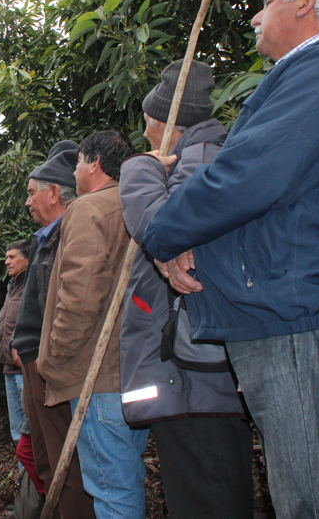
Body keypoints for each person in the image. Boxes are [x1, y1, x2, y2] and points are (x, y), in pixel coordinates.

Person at [142, 0, 319, 519]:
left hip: (297, 308)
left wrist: (165, 231)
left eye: (267, 1)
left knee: (314, 498)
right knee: (303, 489)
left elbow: (253, 172)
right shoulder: (314, 75)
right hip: (285, 304)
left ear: (305, 3)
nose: (257, 17)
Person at [117, 59, 254, 519]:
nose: (145, 133)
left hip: (193, 377)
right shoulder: (197, 159)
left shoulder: (197, 160)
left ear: (164, 123)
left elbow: (165, 230)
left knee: (207, 498)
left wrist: (138, 170)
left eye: (148, 122)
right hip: (192, 377)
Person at [38, 130, 146, 519]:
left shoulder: (89, 208)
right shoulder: (139, 201)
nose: (77, 171)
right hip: (133, 368)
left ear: (95, 164)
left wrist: (53, 357)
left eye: (79, 162)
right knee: (126, 476)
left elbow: (80, 296)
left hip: (96, 374)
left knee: (111, 488)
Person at [10, 140, 94, 519]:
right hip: (35, 363)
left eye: (32, 193)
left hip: (52, 365)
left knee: (66, 463)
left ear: (55, 193)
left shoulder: (68, 235)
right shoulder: (44, 240)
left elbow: (71, 302)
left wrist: (51, 357)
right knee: (46, 457)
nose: (27, 202)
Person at [0, 239, 29, 453]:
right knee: (17, 432)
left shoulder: (34, 284)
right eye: (6, 257)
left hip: (24, 369)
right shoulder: (12, 287)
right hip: (9, 369)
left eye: (12, 257)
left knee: (29, 431)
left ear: (27, 259)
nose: (7, 262)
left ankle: (35, 484)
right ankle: (23, 482)